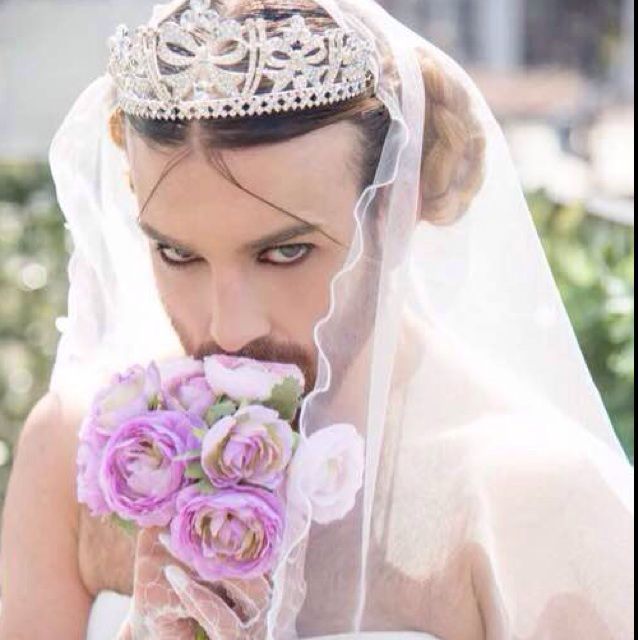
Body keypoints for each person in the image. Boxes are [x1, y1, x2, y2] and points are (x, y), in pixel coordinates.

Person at [0, 0, 633, 638]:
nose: (229, 329)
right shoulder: (82, 454)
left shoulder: (533, 498)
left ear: (395, 209)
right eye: (178, 254)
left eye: (285, 253)